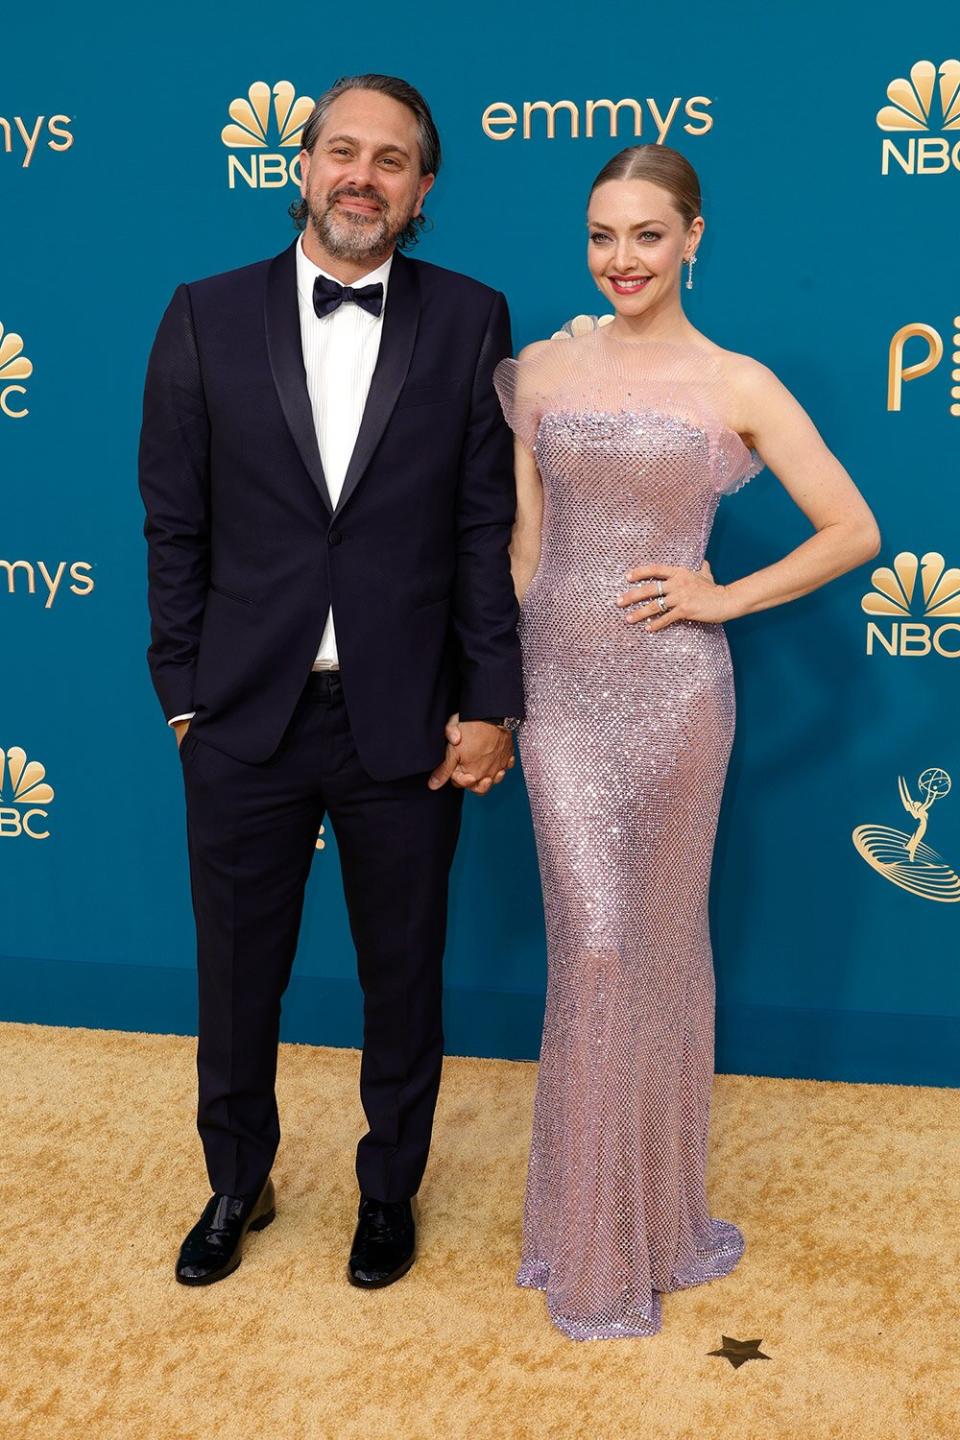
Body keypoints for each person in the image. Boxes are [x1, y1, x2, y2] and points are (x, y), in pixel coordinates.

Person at [476, 142, 881, 1339]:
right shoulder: (539, 372)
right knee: (594, 951)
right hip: (558, 696)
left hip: (676, 699)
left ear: (694, 238)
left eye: (647, 234)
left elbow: (852, 527)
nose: (621, 259)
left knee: (656, 952)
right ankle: (591, 1243)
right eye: (602, 235)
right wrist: (502, 696)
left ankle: (653, 1224)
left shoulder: (737, 382)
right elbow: (523, 549)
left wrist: (723, 597)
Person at [138, 73, 524, 1290]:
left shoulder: (470, 319)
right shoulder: (202, 314)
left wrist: (491, 700)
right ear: (301, 166)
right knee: (236, 971)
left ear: (423, 189)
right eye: (342, 151)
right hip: (244, 715)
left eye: (393, 159)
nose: (364, 175)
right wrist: (184, 695)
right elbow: (173, 524)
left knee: (403, 972)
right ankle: (236, 1182)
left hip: (403, 718)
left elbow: (483, 528)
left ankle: (389, 1189)